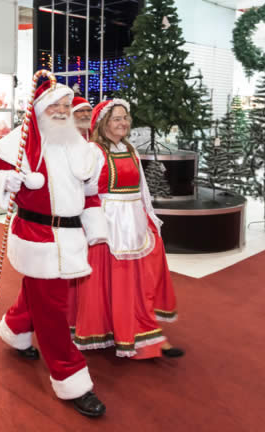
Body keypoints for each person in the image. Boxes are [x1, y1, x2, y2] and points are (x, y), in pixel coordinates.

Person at [0, 80, 107, 418]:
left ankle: (16, 328)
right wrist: (3, 183)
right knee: (53, 309)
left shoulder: (79, 146)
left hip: (71, 236)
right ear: (40, 110)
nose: (63, 113)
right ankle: (71, 378)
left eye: (67, 107)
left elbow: (91, 192)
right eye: (56, 106)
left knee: (39, 294)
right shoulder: (18, 143)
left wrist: (96, 228)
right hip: (37, 236)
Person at [70, 99, 182, 359]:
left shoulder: (130, 148)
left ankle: (146, 333)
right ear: (104, 123)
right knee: (111, 281)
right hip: (107, 225)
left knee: (138, 281)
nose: (123, 123)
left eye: (125, 118)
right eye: (117, 118)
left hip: (133, 223)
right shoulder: (94, 151)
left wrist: (150, 217)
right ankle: (114, 329)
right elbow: (84, 189)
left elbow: (142, 188)